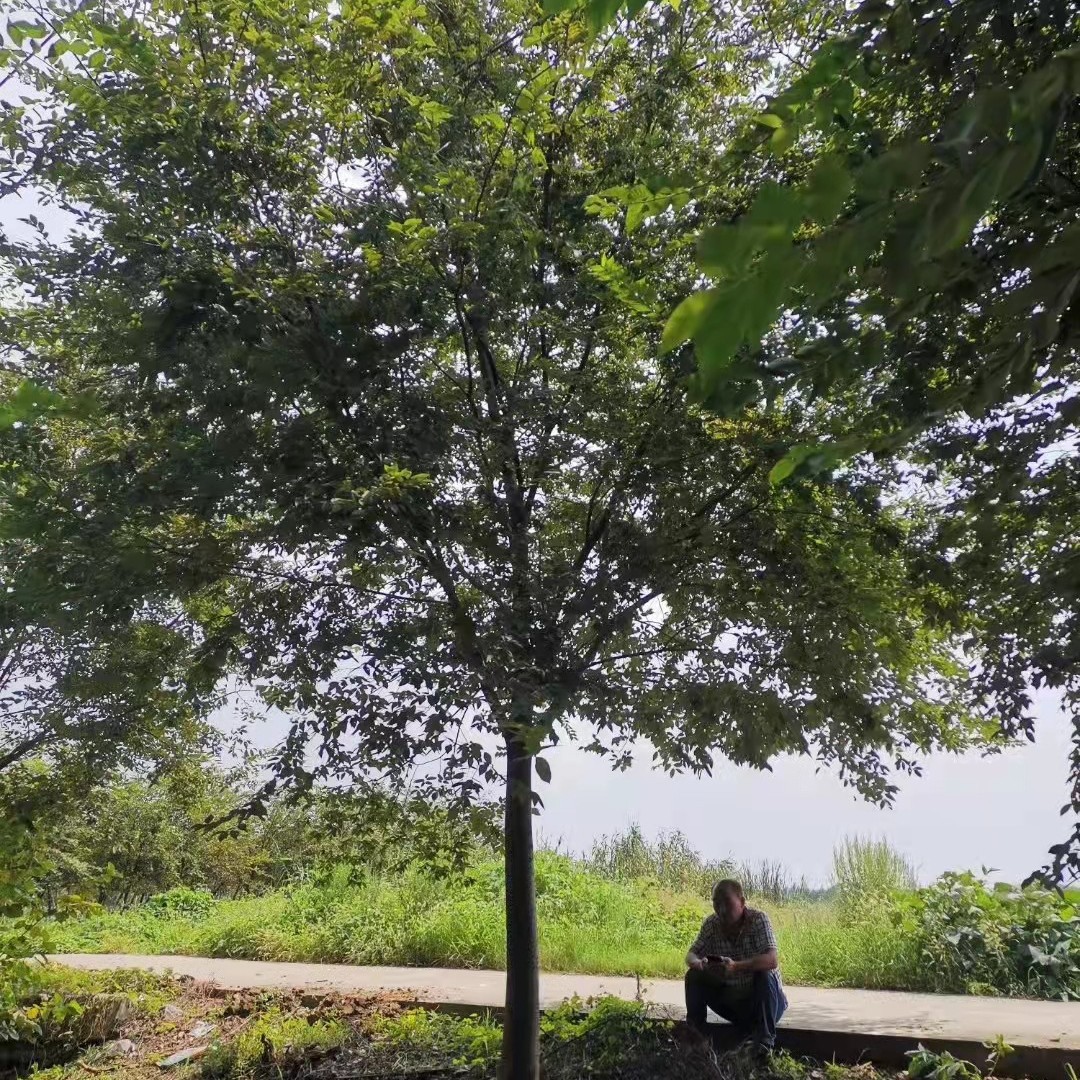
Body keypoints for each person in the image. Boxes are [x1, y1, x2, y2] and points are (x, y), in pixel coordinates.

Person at [684, 879, 788, 1053]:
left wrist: (736, 967)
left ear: (742, 901)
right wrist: (699, 964)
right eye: (716, 902)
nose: (721, 909)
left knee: (764, 973)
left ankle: (764, 1044)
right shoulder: (712, 924)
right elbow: (690, 955)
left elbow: (772, 960)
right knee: (693, 976)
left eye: (726, 902)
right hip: (732, 1003)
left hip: (765, 1004)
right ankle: (696, 1038)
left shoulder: (758, 920)